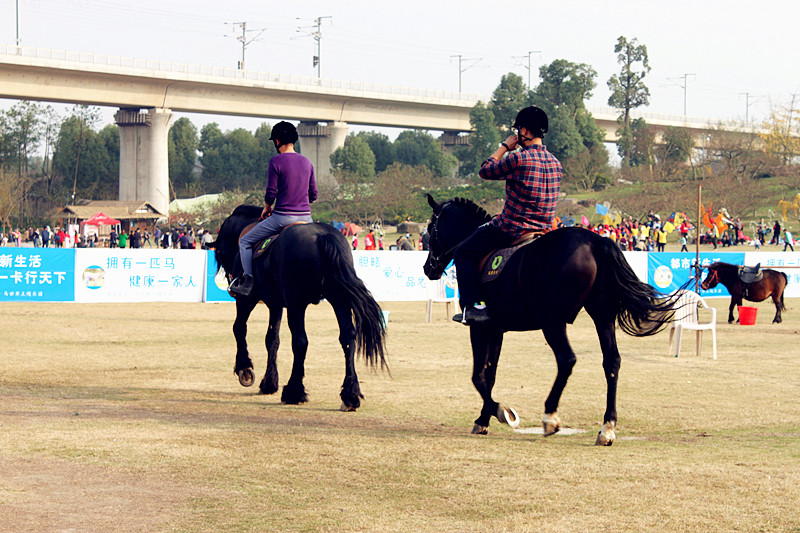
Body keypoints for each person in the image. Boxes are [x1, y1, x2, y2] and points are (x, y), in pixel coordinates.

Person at [452, 106, 562, 325]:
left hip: (512, 227)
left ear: (525, 131)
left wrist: (504, 147)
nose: (517, 134)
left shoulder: (518, 159)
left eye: (519, 129)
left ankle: (473, 307)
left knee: (462, 252)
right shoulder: (556, 163)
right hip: (544, 229)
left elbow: (485, 170)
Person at [229, 121, 318, 297]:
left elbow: (271, 193)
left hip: (282, 217)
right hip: (307, 219)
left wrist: (267, 207)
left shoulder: (276, 161)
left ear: (277, 141)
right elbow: (313, 194)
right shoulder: (307, 162)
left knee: (245, 242)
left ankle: (248, 281)